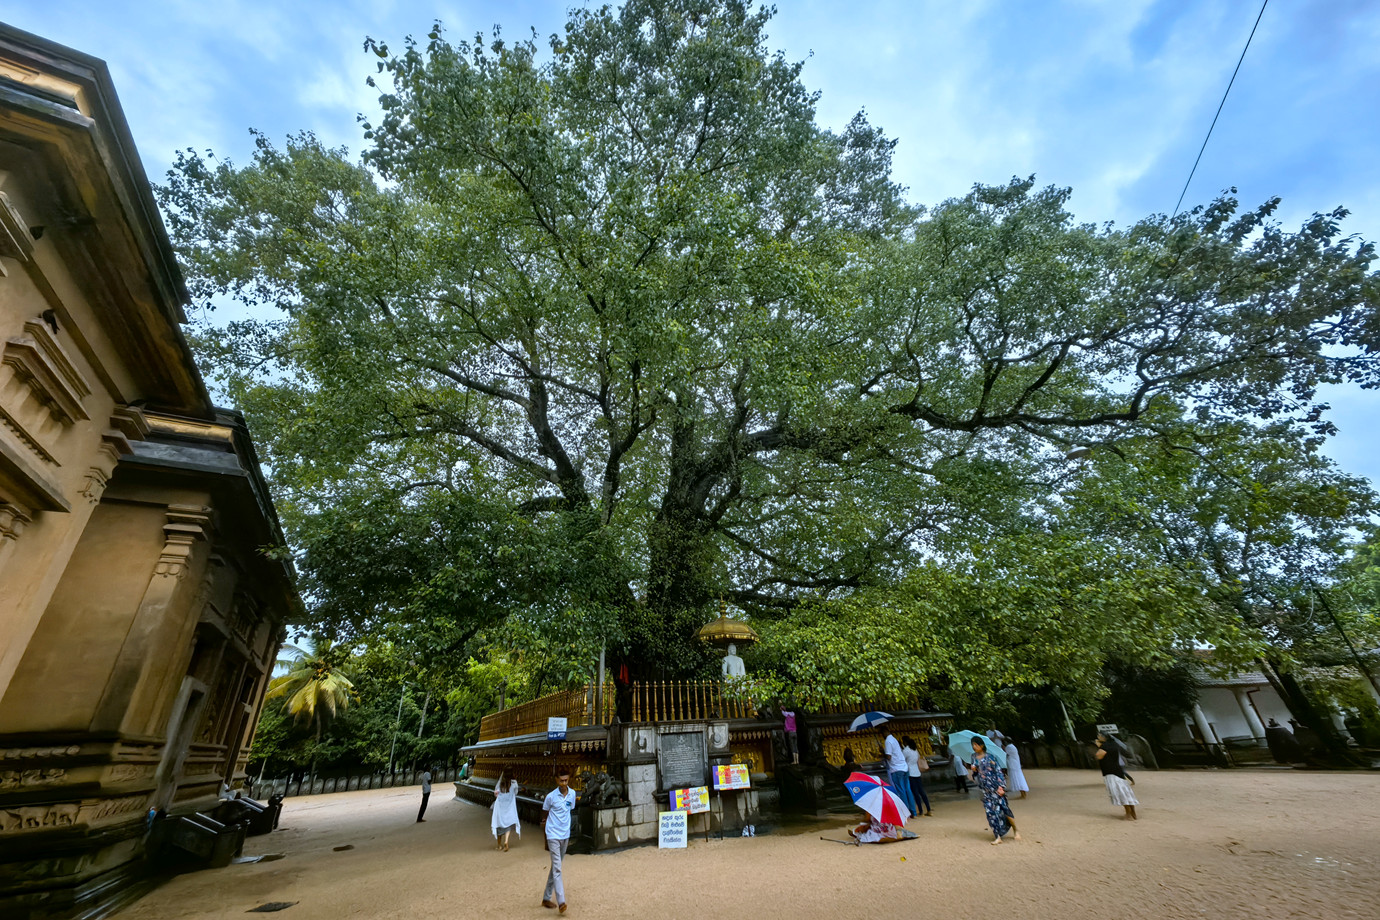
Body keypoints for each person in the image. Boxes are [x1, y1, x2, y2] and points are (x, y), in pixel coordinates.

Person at [969, 736, 1020, 845]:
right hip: (984, 790)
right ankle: (997, 836)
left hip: (995, 788)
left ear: (981, 745)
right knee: (990, 813)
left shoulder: (991, 757)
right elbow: (975, 775)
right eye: (972, 745)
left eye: (976, 744)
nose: (974, 747)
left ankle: (1016, 829)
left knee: (1004, 809)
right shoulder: (973, 757)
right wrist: (974, 770)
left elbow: (999, 772)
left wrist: (1001, 787)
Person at [541, 768, 577, 913]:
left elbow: (570, 809)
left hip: (565, 834)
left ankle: (546, 897)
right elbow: (544, 812)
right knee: (557, 868)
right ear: (556, 780)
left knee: (556, 866)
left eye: (566, 780)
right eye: (561, 780)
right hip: (553, 834)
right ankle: (561, 901)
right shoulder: (550, 797)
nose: (563, 783)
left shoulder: (572, 794)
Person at [1095, 733, 1138, 820]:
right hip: (1118, 770)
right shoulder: (1114, 744)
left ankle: (1128, 813)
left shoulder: (1105, 746)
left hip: (1110, 772)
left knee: (1119, 792)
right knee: (1125, 791)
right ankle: (1133, 812)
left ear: (1103, 738)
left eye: (1099, 736)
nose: (1097, 737)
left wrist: (1099, 746)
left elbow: (1099, 756)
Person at [882, 730, 918, 817]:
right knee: (907, 790)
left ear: (883, 733)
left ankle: (906, 812)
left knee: (901, 790)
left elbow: (889, 757)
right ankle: (913, 811)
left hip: (897, 769)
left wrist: (882, 754)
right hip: (904, 768)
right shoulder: (894, 739)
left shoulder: (888, 741)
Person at [491, 767, 521, 851]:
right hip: (509, 806)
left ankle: (499, 845)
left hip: (500, 806)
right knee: (508, 823)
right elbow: (516, 792)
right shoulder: (514, 783)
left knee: (499, 824)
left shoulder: (500, 783)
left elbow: (496, 793)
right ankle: (506, 841)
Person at [902, 736, 933, 816]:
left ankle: (921, 810)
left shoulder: (905, 751)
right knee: (922, 792)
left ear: (905, 742)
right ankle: (928, 809)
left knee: (915, 793)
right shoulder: (915, 750)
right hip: (917, 772)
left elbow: (903, 760)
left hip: (910, 773)